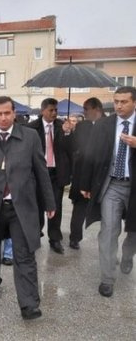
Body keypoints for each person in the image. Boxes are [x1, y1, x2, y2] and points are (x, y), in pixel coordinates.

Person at [0, 96, 55, 320]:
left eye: (7, 113)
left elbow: (41, 170)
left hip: (21, 207)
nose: (3, 118)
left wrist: (49, 202)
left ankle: (29, 304)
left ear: (14, 113)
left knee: (24, 255)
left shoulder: (30, 137)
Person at [80, 86, 136, 297]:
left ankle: (128, 255)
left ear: (134, 103)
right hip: (111, 184)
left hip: (134, 187)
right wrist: (85, 184)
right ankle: (107, 278)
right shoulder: (104, 125)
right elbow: (90, 154)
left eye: (124, 101)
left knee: (134, 232)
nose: (119, 105)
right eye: (116, 101)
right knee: (109, 231)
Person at [27, 98, 71, 254]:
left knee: (55, 207)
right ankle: (35, 234)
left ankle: (55, 238)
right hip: (38, 173)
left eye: (56, 110)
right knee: (37, 206)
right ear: (42, 110)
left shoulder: (62, 126)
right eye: (51, 110)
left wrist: (67, 133)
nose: (54, 113)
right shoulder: (32, 128)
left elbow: (68, 149)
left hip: (55, 173)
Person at [68, 97, 104, 249]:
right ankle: (74, 238)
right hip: (82, 173)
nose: (84, 112)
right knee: (79, 209)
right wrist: (69, 132)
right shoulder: (82, 125)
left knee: (108, 214)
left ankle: (107, 246)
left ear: (97, 109)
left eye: (86, 108)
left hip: (102, 174)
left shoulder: (109, 124)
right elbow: (73, 145)